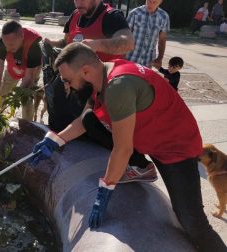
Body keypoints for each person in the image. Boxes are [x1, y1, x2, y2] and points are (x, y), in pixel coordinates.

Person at [30, 42, 227, 251]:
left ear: (85, 71)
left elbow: (122, 149)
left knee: (192, 221)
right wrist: (55, 140)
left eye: (68, 80)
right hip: (153, 137)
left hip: (176, 150)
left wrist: (105, 191)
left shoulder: (118, 87)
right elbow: (82, 121)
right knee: (90, 118)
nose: (68, 86)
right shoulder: (101, 75)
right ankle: (142, 167)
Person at [43, 0, 155, 183]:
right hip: (78, 85)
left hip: (106, 90)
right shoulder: (75, 15)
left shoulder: (111, 17)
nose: (78, 2)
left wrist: (97, 45)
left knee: (92, 123)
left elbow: (128, 42)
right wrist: (51, 42)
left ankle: (136, 162)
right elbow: (67, 42)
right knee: (59, 115)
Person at [0, 20, 42, 121]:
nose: (8, 48)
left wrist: (14, 99)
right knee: (3, 94)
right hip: (13, 67)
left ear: (21, 36)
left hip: (31, 69)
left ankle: (27, 124)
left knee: (26, 97)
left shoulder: (34, 46)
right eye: (6, 44)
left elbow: (28, 78)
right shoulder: (2, 43)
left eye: (11, 45)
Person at [126, 0, 170, 69]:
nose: (151, 4)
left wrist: (159, 59)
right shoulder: (134, 13)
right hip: (130, 58)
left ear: (160, 2)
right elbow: (126, 36)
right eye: (149, 1)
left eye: (154, 2)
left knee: (143, 80)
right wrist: (121, 57)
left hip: (148, 61)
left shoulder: (164, 17)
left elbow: (162, 40)